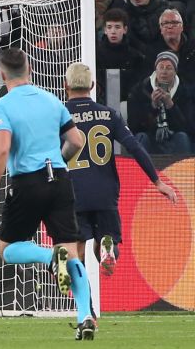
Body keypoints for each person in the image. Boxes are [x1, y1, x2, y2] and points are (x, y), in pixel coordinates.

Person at [0, 47, 95, 340]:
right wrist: (58, 160)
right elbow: (76, 140)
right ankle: (85, 317)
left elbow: (2, 148)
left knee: (7, 249)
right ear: (30, 70)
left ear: (3, 74)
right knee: (72, 253)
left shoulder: (2, 106)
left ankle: (47, 257)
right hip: (59, 179)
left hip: (27, 183)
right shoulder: (52, 100)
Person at [63, 62, 178, 285]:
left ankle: (81, 300)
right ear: (93, 85)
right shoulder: (109, 115)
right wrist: (157, 181)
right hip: (105, 191)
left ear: (65, 85)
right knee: (107, 241)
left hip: (73, 190)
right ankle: (107, 247)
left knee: (76, 247)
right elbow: (135, 147)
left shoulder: (61, 115)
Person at [128, 50, 195, 155]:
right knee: (141, 138)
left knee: (182, 137)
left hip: (175, 138)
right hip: (150, 137)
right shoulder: (140, 90)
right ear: (155, 70)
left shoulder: (184, 92)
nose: (164, 72)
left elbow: (189, 128)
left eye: (169, 68)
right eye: (161, 67)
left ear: (175, 71)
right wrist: (153, 107)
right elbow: (134, 127)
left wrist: (170, 106)